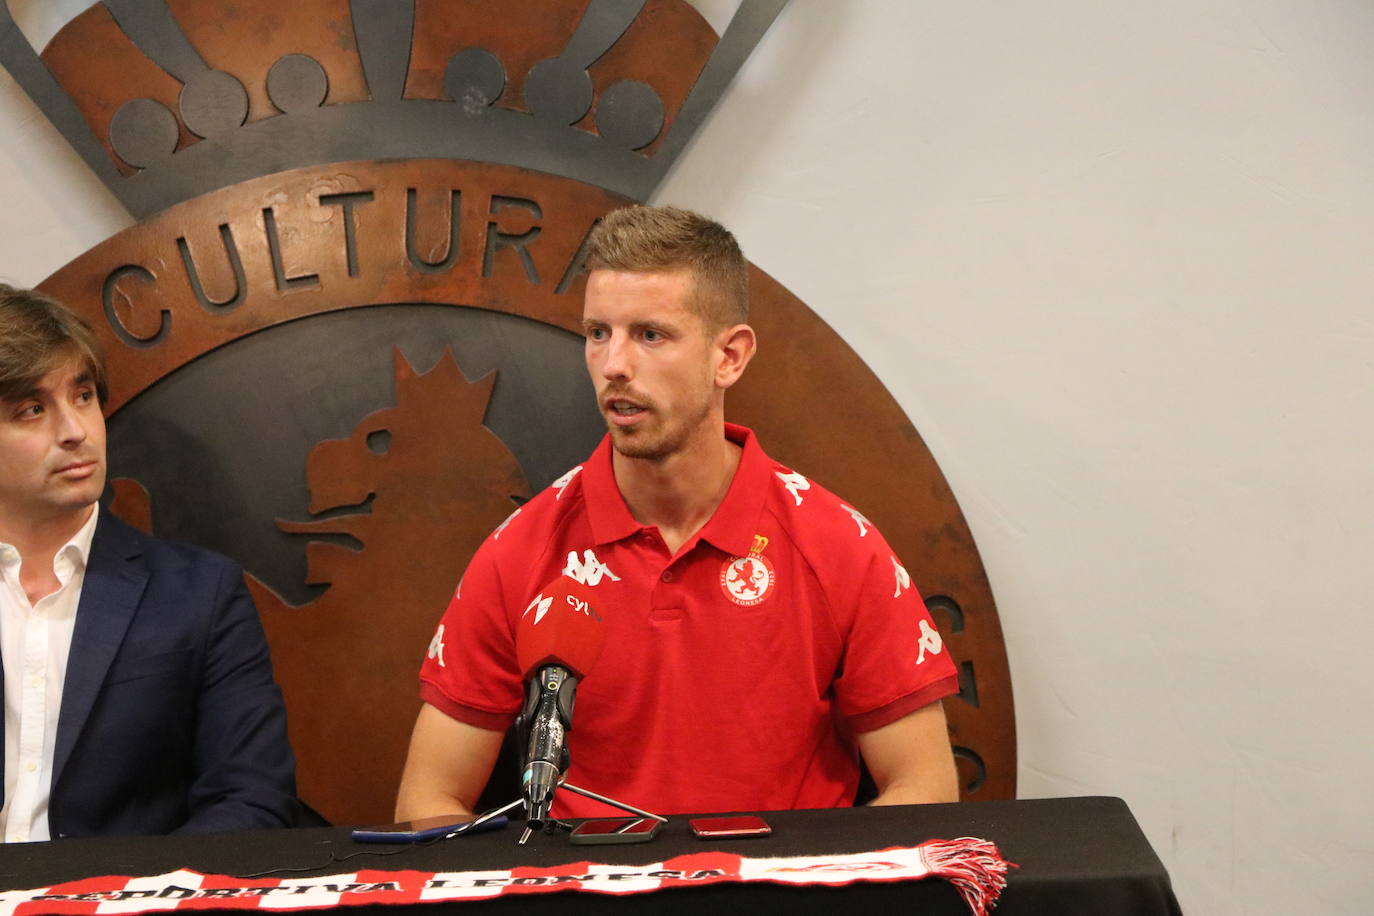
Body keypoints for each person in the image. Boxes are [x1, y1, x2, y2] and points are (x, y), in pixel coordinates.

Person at [396, 206, 960, 820]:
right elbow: (429, 802)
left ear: (730, 357)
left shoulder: (839, 546)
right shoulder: (521, 550)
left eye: (650, 335)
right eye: (597, 333)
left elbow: (924, 788)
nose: (614, 364)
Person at [0, 284, 299, 839]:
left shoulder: (199, 594)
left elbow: (252, 798)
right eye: (33, 409)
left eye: (83, 396)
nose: (75, 432)